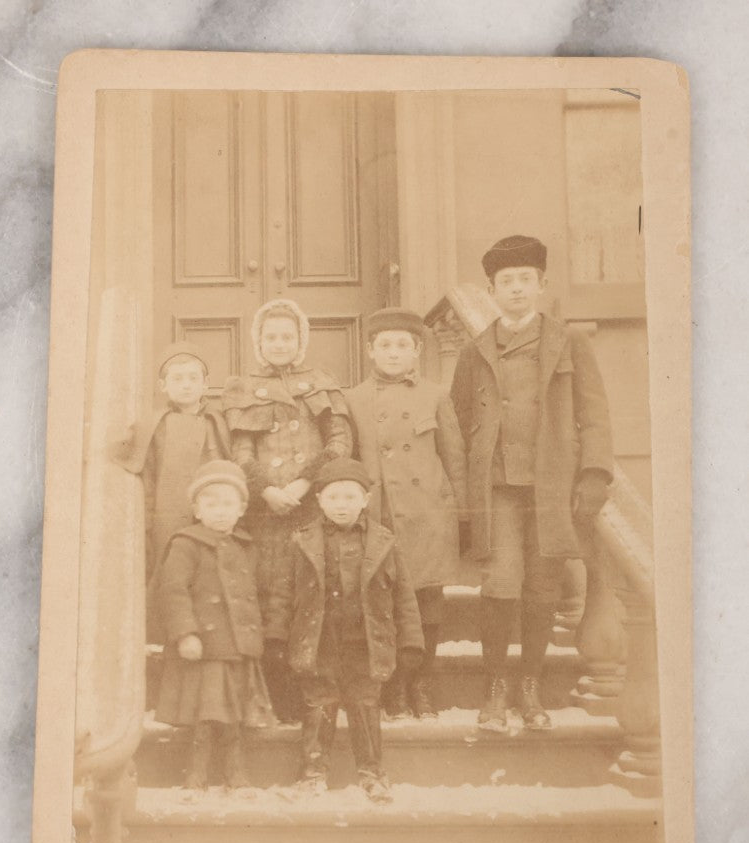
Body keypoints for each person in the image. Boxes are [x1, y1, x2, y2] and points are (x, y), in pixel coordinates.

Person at [450, 235, 614, 732]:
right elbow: (458, 425)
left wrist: (593, 474)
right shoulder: (474, 351)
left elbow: (595, 414)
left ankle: (530, 685)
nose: (516, 290)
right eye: (506, 282)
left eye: (525, 280)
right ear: (491, 290)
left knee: (543, 588)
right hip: (496, 487)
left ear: (541, 285)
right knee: (501, 585)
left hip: (551, 485)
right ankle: (496, 684)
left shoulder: (569, 342)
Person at [222, 299, 353, 725]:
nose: (279, 344)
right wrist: (268, 490)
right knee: (270, 598)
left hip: (311, 507)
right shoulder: (242, 387)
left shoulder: (320, 383)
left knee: (310, 596)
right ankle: (275, 695)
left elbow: (338, 440)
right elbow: (239, 451)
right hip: (266, 513)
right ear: (259, 342)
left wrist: (304, 483)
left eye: (287, 336)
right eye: (271, 337)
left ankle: (317, 694)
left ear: (300, 341)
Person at [264, 458, 425, 802]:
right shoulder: (300, 541)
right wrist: (277, 636)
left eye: (350, 497)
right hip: (318, 640)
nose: (342, 505)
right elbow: (282, 593)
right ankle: (312, 773)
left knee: (365, 704)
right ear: (319, 499)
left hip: (365, 642)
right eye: (334, 497)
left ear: (366, 500)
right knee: (319, 703)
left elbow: (404, 597)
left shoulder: (385, 542)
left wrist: (411, 641)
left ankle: (372, 773)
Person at [346, 307, 467, 719]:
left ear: (417, 351)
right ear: (370, 351)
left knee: (428, 602)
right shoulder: (354, 400)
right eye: (385, 345)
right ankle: (393, 684)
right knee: (387, 604)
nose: (393, 353)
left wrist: (462, 516)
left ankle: (422, 683)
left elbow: (454, 458)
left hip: (429, 514)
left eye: (403, 345)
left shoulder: (434, 395)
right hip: (382, 517)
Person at [155, 460, 273, 792]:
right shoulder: (186, 543)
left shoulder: (245, 546)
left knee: (234, 715)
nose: (219, 512)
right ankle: (196, 774)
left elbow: (254, 595)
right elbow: (173, 590)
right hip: (205, 647)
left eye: (227, 504)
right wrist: (186, 633)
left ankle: (236, 773)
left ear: (241, 508)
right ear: (196, 508)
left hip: (237, 647)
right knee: (204, 715)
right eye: (210, 503)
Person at [110, 341, 232, 586]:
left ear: (205, 384)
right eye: (177, 379)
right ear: (163, 386)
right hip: (168, 520)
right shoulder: (154, 426)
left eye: (192, 378)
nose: (186, 385)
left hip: (213, 516)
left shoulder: (218, 423)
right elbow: (149, 477)